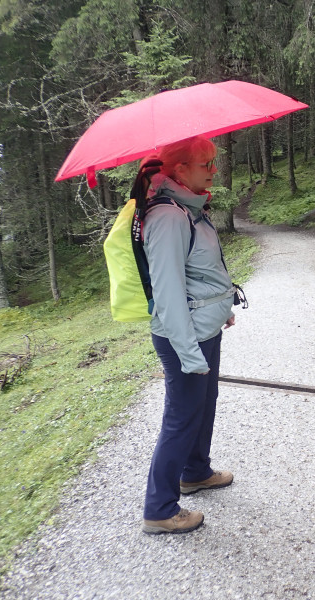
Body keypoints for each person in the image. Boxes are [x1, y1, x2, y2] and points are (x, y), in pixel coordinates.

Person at [137, 136, 236, 535]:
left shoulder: (189, 208)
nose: (214, 169)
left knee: (203, 402)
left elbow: (201, 271)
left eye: (214, 161)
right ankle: (159, 508)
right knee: (181, 416)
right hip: (184, 336)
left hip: (201, 328)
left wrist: (220, 306)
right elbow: (168, 293)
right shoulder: (170, 217)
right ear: (179, 170)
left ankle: (195, 472)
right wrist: (190, 352)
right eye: (205, 163)